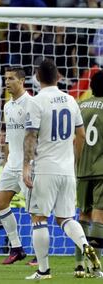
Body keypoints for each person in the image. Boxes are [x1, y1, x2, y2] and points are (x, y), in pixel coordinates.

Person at [23, 59, 101, 280]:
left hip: (45, 167)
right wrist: (74, 161)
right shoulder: (71, 100)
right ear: (58, 77)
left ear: (37, 78)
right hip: (67, 169)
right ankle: (85, 245)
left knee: (39, 218)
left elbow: (30, 136)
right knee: (66, 218)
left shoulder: (36, 102)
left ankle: (44, 270)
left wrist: (26, 165)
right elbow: (82, 136)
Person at [0, 67, 31, 265]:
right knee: (0, 202)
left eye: (11, 78)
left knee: (36, 211)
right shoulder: (7, 106)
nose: (7, 82)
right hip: (12, 164)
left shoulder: (31, 104)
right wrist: (6, 160)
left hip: (29, 165)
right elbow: (9, 138)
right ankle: (17, 248)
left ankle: (41, 256)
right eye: (5, 78)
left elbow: (36, 137)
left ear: (22, 81)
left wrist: (30, 163)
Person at [74, 70, 103, 278]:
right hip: (101, 169)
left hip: (81, 169)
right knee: (99, 215)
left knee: (82, 215)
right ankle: (96, 267)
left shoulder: (80, 106)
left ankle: (79, 265)